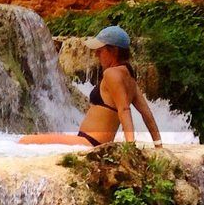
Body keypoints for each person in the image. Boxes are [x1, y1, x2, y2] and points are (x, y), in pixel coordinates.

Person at [19, 25, 163, 148]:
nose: (96, 54)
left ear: (113, 51)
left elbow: (124, 109)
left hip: (89, 142)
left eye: (100, 51)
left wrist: (130, 146)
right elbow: (147, 114)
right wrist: (158, 145)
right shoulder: (129, 78)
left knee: (25, 141)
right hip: (91, 141)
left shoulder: (112, 74)